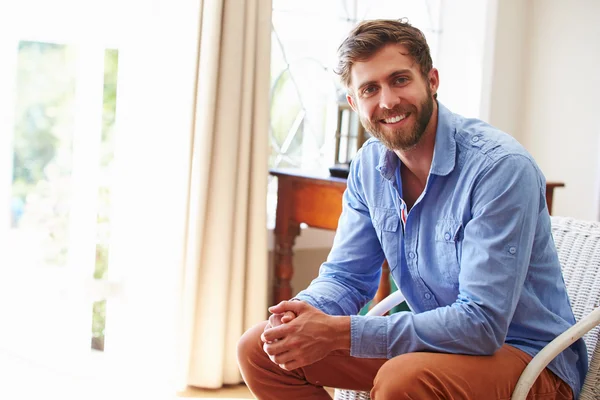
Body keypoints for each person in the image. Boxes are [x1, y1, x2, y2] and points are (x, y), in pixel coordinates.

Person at [237, 19, 587, 399]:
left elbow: (481, 325)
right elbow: (346, 277)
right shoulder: (368, 168)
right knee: (261, 348)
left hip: (526, 359)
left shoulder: (500, 168)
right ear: (354, 103)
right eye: (371, 89)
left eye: (400, 80)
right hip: (433, 347)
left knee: (403, 379)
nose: (387, 101)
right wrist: (300, 314)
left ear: (431, 81)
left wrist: (338, 332)